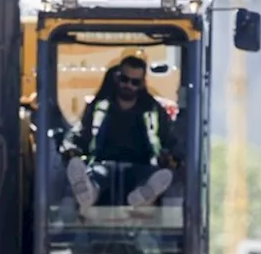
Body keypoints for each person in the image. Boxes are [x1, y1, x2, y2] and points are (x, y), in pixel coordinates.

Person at [61, 55, 178, 209]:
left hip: (141, 166)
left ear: (142, 84)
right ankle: (88, 192)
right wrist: (70, 148)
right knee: (96, 175)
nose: (128, 85)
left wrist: (171, 156)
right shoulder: (99, 107)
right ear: (117, 78)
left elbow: (169, 139)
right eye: (124, 79)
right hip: (103, 163)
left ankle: (143, 195)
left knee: (149, 176)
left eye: (134, 82)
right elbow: (80, 133)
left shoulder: (153, 110)